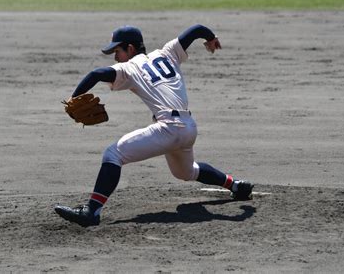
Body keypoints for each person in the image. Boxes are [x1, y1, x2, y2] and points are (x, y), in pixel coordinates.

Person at [55, 24, 253, 227]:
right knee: (186, 172)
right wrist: (211, 38)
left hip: (168, 128)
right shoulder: (167, 52)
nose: (115, 58)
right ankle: (235, 185)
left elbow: (95, 74)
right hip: (189, 128)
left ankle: (91, 211)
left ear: (130, 49)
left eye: (117, 51)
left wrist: (73, 98)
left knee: (113, 155)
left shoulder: (128, 67)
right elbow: (196, 30)